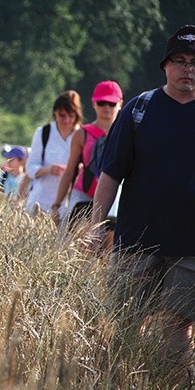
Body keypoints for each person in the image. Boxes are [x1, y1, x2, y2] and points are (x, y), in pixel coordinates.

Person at [91, 25, 195, 381]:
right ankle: (115, 381)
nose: (188, 68)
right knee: (122, 323)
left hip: (189, 246)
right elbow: (110, 173)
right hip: (135, 241)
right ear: (165, 65)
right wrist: (95, 225)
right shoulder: (139, 109)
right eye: (180, 61)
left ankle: (171, 384)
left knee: (176, 330)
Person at [51, 81, 123, 230]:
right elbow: (70, 170)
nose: (107, 107)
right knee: (77, 241)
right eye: (102, 102)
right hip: (84, 192)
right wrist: (57, 204)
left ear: (120, 104)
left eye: (111, 103)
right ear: (94, 104)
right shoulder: (82, 133)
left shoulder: (125, 133)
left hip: (114, 193)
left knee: (108, 245)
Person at [25, 90, 82, 216]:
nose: (66, 120)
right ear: (55, 113)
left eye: (71, 116)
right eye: (62, 115)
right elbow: (30, 167)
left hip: (69, 203)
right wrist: (48, 169)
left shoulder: (82, 135)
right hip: (40, 201)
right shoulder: (43, 133)